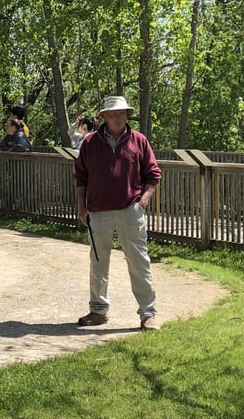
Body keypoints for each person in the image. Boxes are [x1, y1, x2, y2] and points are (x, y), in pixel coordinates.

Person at [74, 95, 162, 331]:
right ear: (104, 116)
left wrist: (142, 201)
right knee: (98, 263)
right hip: (98, 212)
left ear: (127, 115)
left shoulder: (139, 141)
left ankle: (148, 313)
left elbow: (153, 174)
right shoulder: (90, 143)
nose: (116, 117)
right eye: (112, 113)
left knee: (139, 262)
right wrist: (82, 206)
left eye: (120, 113)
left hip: (130, 210)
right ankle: (98, 310)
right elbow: (80, 176)